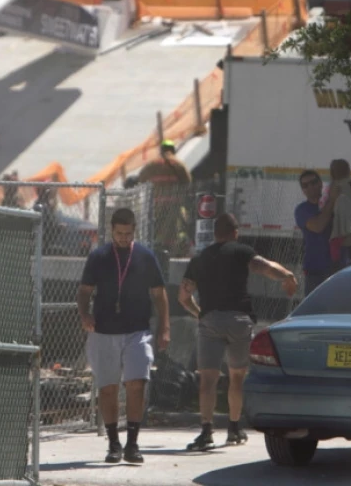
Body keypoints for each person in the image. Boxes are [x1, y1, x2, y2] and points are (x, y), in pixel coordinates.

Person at [178, 213, 298, 451]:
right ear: (235, 232)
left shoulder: (200, 259)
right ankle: (234, 427)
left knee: (207, 380)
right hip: (238, 321)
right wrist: (287, 275)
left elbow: (183, 296)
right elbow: (264, 267)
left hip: (210, 321)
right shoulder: (241, 251)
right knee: (236, 377)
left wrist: (199, 312)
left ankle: (206, 430)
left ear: (215, 234)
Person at [76, 208, 170, 464]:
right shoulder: (98, 257)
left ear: (134, 231)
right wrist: (85, 314)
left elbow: (159, 293)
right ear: (112, 231)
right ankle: (114, 443)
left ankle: (133, 443)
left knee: (136, 384)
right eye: (119, 233)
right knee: (108, 389)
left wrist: (165, 327)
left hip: (137, 330)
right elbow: (84, 290)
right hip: (103, 331)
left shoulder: (145, 256)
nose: (124, 238)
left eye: (128, 234)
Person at [136, 140, 192, 258]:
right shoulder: (178, 164)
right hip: (173, 205)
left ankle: (155, 252)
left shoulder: (151, 165)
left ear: (160, 150)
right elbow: (188, 182)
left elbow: (140, 180)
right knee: (172, 231)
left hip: (156, 204)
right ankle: (170, 254)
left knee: (155, 229)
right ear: (173, 150)